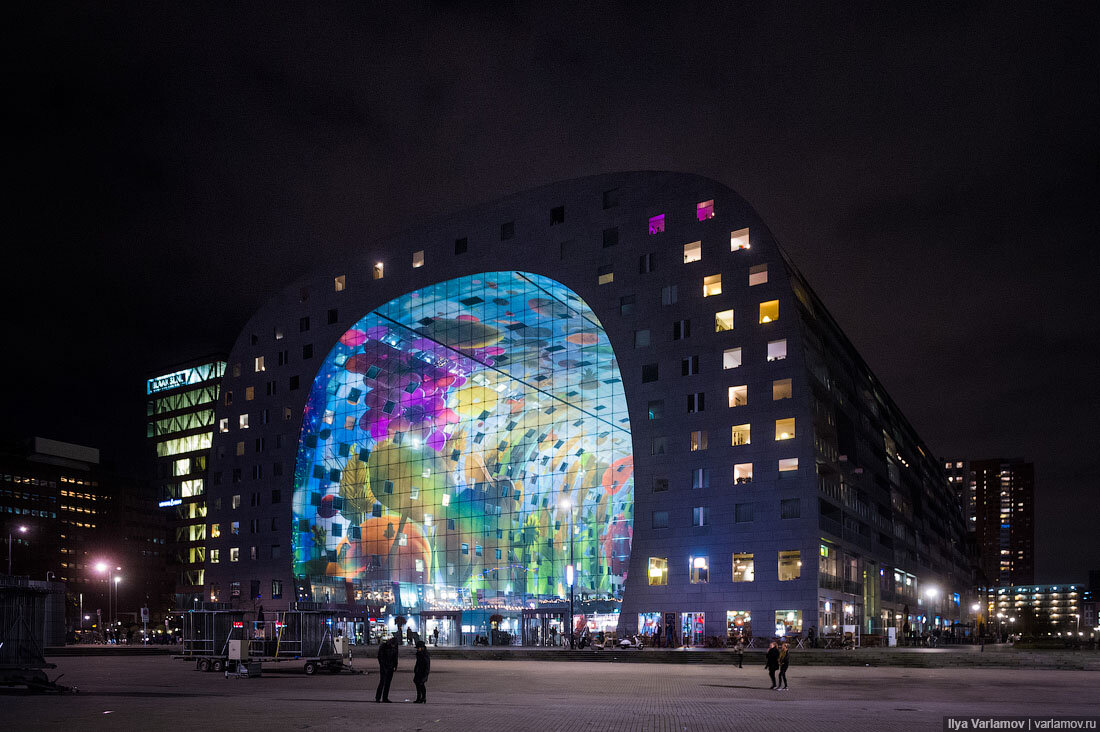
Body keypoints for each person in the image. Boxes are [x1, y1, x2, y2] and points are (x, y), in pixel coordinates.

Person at [376, 637, 398, 702]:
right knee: (382, 682)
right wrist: (382, 665)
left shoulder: (395, 647)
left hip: (390, 666)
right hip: (384, 666)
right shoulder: (384, 646)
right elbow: (380, 657)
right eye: (393, 645)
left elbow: (395, 657)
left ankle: (385, 698)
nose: (393, 646)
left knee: (388, 683)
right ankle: (378, 697)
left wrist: (395, 665)